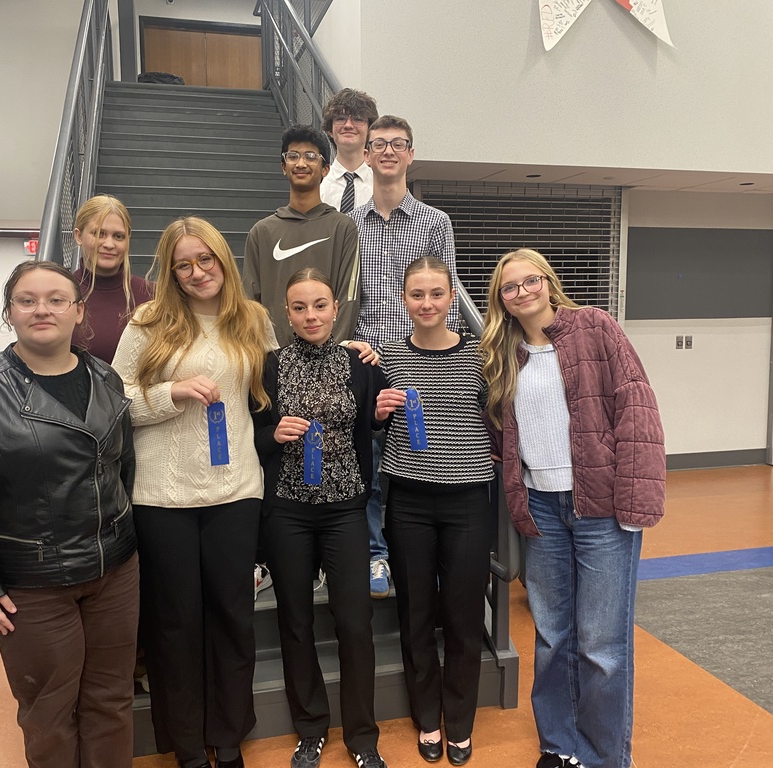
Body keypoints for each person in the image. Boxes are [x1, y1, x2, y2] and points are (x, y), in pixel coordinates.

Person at [0, 260, 139, 768]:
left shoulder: (106, 378)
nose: (42, 309)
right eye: (27, 300)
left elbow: (122, 467)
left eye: (57, 299)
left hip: (114, 573)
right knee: (49, 713)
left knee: (112, 701)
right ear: (10, 312)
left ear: (78, 310)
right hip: (32, 584)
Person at [479, 248, 666, 768]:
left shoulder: (595, 327)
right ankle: (559, 746)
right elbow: (499, 436)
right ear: (501, 300)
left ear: (548, 281)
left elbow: (637, 407)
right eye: (510, 287)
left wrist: (636, 502)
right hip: (541, 509)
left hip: (601, 509)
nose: (522, 292)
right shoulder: (501, 355)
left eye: (530, 280)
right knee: (552, 637)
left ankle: (603, 757)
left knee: (602, 646)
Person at [112, 217, 276, 768]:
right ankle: (186, 745)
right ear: (170, 272)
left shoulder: (253, 319)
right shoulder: (148, 323)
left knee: (233, 616)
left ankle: (227, 738)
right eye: (183, 264)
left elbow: (279, 385)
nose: (197, 272)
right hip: (162, 497)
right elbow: (114, 402)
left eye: (205, 259)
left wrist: (355, 352)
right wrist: (171, 392)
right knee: (175, 623)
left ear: (223, 259)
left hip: (237, 490)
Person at [253, 268, 389, 768]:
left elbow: (375, 421)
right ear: (286, 314)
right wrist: (273, 435)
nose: (311, 315)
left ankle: (362, 737)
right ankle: (310, 729)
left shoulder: (359, 362)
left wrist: (381, 411)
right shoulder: (268, 366)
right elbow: (252, 436)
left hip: (345, 509)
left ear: (335, 309)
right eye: (300, 307)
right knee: (295, 621)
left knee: (354, 621)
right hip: (288, 512)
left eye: (320, 305)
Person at [374, 257, 493, 766]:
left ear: (451, 298)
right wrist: (376, 414)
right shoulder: (386, 358)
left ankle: (460, 721)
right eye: (417, 294)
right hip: (409, 502)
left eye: (437, 294)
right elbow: (371, 428)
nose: (427, 304)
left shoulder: (482, 357)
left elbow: (501, 417)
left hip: (468, 501)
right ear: (403, 300)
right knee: (416, 615)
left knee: (464, 617)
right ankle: (428, 716)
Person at [349, 114, 460, 598]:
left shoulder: (436, 222)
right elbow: (345, 297)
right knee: (370, 464)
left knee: (423, 459)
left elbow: (446, 292)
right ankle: (376, 554)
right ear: (366, 155)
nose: (389, 151)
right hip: (369, 361)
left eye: (399, 144)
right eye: (379, 144)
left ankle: (420, 552)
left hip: (421, 358)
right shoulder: (349, 224)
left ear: (411, 154)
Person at [244, 124, 361, 347]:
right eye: (293, 156)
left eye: (310, 156)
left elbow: (349, 299)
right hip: (275, 357)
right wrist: (269, 355)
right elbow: (251, 302)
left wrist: (329, 353)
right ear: (283, 166)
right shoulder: (262, 232)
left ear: (325, 169)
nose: (301, 163)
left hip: (328, 357)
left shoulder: (343, 228)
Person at [71, 193, 154, 363]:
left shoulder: (152, 295)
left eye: (118, 236)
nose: (109, 244)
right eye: (99, 234)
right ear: (78, 236)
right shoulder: (60, 295)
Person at [320, 88, 378, 213]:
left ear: (370, 130)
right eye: (341, 118)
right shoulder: (318, 185)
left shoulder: (381, 185)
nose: (348, 125)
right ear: (330, 130)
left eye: (358, 119)